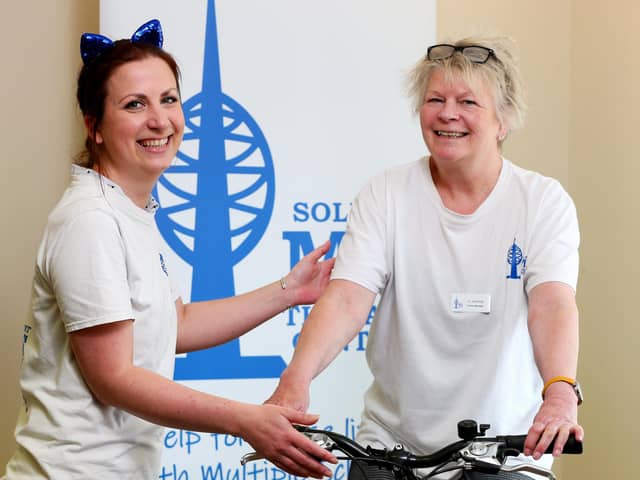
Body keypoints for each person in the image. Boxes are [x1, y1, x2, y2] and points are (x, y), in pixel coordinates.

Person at [3, 20, 336, 479]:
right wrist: (246, 421)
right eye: (134, 105)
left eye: (169, 99)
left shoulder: (130, 211)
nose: (160, 120)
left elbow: (176, 325)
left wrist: (286, 292)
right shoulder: (90, 221)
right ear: (94, 125)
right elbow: (114, 378)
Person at [267, 36, 584, 479]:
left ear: (503, 121)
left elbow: (552, 304)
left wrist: (559, 393)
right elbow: (346, 299)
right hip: (393, 445)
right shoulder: (387, 194)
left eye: (468, 101)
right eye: (435, 99)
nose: (448, 113)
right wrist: (294, 380)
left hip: (508, 450)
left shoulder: (542, 201)